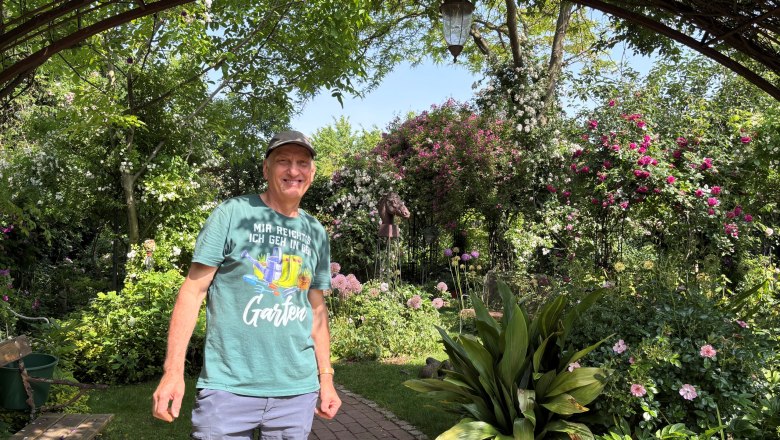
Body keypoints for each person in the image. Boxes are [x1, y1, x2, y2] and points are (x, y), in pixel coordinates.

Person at [152, 130, 341, 439]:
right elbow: (193, 291)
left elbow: (316, 307)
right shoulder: (233, 214)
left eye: (302, 163)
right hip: (229, 388)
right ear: (266, 169)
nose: (294, 171)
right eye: (283, 161)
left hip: (296, 392)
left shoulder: (315, 230)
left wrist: (327, 377)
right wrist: (173, 372)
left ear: (312, 172)